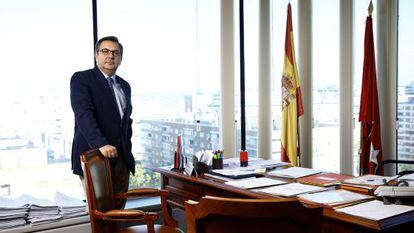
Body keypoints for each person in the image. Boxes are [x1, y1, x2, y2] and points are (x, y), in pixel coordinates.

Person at [70, 36, 134, 209]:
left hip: (121, 160)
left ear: (120, 58)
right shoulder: (82, 79)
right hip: (95, 156)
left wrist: (127, 153)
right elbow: (84, 115)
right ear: (96, 55)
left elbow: (126, 122)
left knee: (118, 212)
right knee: (101, 213)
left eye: (115, 52)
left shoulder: (125, 86)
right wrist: (102, 144)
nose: (110, 56)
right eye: (105, 51)